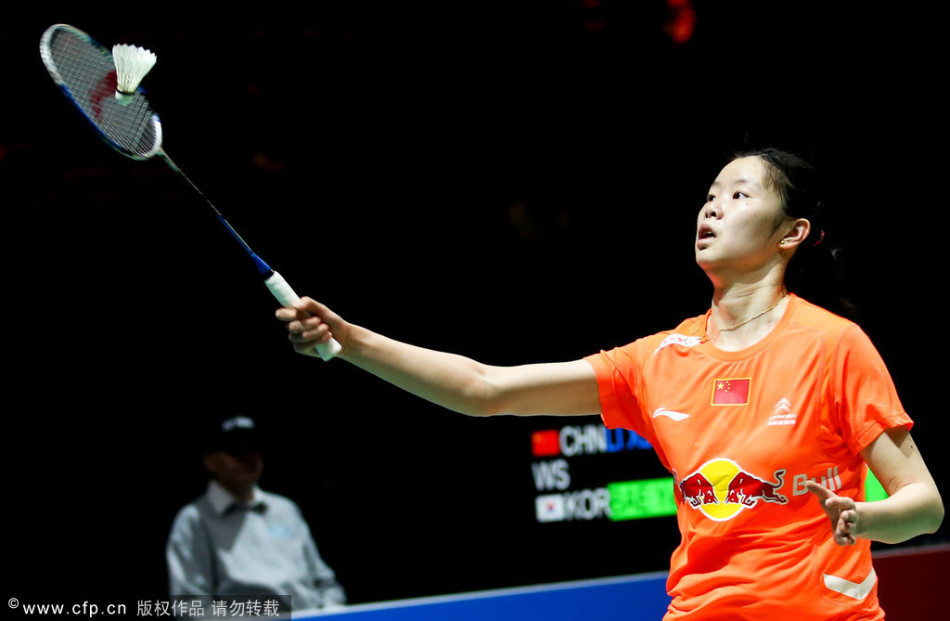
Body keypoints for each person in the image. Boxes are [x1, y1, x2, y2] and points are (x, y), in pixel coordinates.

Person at [275, 148, 943, 619]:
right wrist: (352, 340)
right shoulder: (659, 360)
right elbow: (486, 389)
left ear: (790, 234)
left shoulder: (832, 345)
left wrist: (870, 518)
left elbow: (925, 504)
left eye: (739, 195)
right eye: (709, 196)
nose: (711, 209)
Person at [166, 415, 346, 614]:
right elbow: (192, 605)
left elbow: (325, 583)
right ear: (210, 461)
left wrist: (331, 611)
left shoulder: (285, 509)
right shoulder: (194, 519)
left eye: (253, 448)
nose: (247, 457)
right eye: (234, 449)